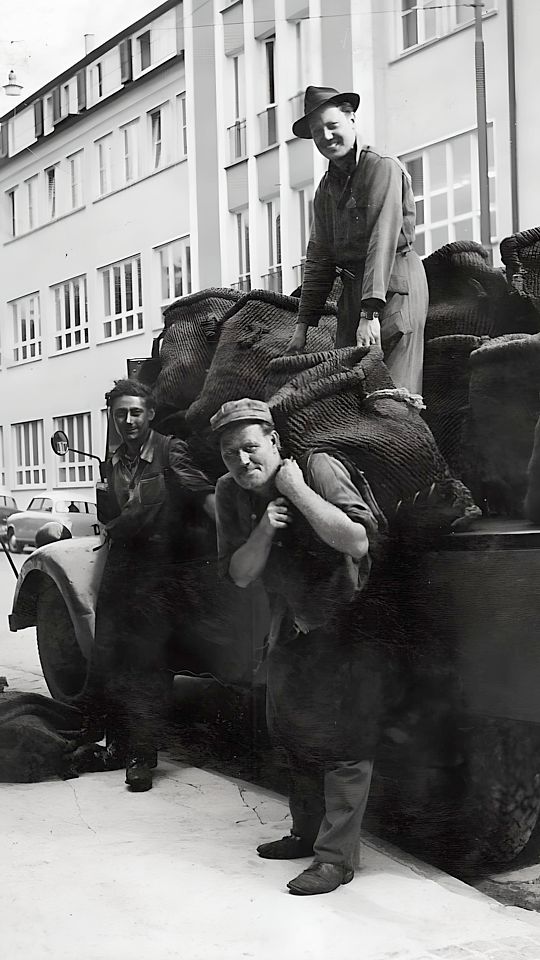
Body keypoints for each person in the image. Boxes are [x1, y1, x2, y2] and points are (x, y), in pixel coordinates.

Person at [212, 398, 387, 896]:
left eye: (250, 447)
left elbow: (356, 542)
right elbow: (241, 575)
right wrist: (266, 526)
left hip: (354, 619)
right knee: (291, 730)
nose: (242, 461)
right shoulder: (230, 492)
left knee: (345, 745)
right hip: (293, 621)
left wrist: (296, 491)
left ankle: (335, 860)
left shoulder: (317, 467)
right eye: (230, 454)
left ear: (274, 441)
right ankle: (306, 834)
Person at [87, 378, 215, 793]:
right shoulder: (113, 458)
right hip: (121, 569)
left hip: (159, 573)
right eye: (121, 413)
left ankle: (142, 757)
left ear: (150, 414)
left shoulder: (168, 450)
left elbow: (205, 495)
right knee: (108, 656)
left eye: (136, 412)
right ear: (112, 416)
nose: (128, 420)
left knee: (146, 666)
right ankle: (117, 746)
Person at [286, 85, 428, 395]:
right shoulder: (325, 187)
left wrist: (370, 314)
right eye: (317, 131)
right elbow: (320, 256)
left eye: (332, 125)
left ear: (351, 120)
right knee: (350, 396)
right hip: (353, 295)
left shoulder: (381, 166)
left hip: (394, 285)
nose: (326, 136)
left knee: (392, 394)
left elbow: (382, 241)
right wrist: (302, 328)